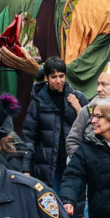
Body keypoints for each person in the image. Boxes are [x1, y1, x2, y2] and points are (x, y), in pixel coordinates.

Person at [20, 57, 84, 195]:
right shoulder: (38, 101)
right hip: (47, 164)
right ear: (47, 78)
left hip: (72, 161)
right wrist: (26, 169)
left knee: (72, 204)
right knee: (52, 202)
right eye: (53, 77)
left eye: (61, 76)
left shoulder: (76, 97)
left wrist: (78, 108)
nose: (58, 80)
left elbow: (90, 127)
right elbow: (29, 135)